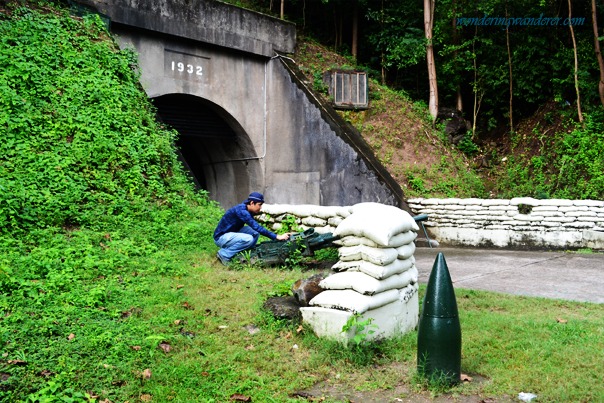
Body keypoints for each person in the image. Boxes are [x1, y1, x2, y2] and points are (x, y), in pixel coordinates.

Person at [213, 192, 290, 265]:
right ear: (252, 203)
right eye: (259, 205)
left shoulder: (247, 208)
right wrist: (276, 236)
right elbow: (257, 226)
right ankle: (223, 254)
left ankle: (246, 253)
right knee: (248, 239)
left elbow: (256, 229)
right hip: (221, 238)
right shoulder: (242, 211)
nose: (260, 208)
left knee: (254, 233)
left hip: (232, 233)